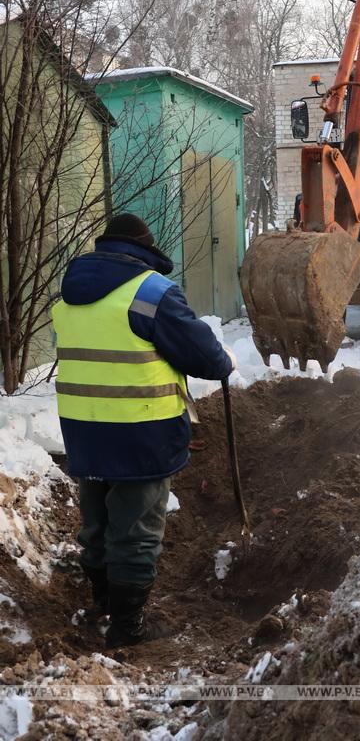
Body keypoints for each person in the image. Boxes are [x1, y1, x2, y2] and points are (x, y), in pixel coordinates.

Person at [52, 212, 236, 647]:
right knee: (135, 530)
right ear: (145, 251)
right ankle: (127, 627)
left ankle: (103, 602)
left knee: (97, 522)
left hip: (84, 428)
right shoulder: (152, 292)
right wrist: (224, 360)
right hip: (141, 431)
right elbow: (206, 358)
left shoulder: (69, 293)